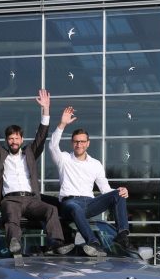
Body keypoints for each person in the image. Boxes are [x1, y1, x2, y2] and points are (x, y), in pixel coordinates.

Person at [0, 88, 73, 255]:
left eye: (17, 138)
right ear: (7, 141)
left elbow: (41, 137)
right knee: (11, 215)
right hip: (11, 199)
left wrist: (46, 109)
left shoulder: (30, 153)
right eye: (11, 138)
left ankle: (56, 243)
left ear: (22, 140)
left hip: (31, 200)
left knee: (51, 209)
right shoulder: (0, 155)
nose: (14, 141)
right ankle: (14, 243)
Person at [48, 105, 132, 256]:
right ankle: (93, 242)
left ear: (88, 143)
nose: (79, 145)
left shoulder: (95, 164)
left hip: (90, 203)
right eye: (76, 142)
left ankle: (122, 234)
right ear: (72, 143)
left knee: (118, 194)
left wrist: (120, 190)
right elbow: (53, 146)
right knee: (75, 207)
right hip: (69, 203)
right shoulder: (64, 159)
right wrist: (62, 124)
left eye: (82, 141)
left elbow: (105, 190)